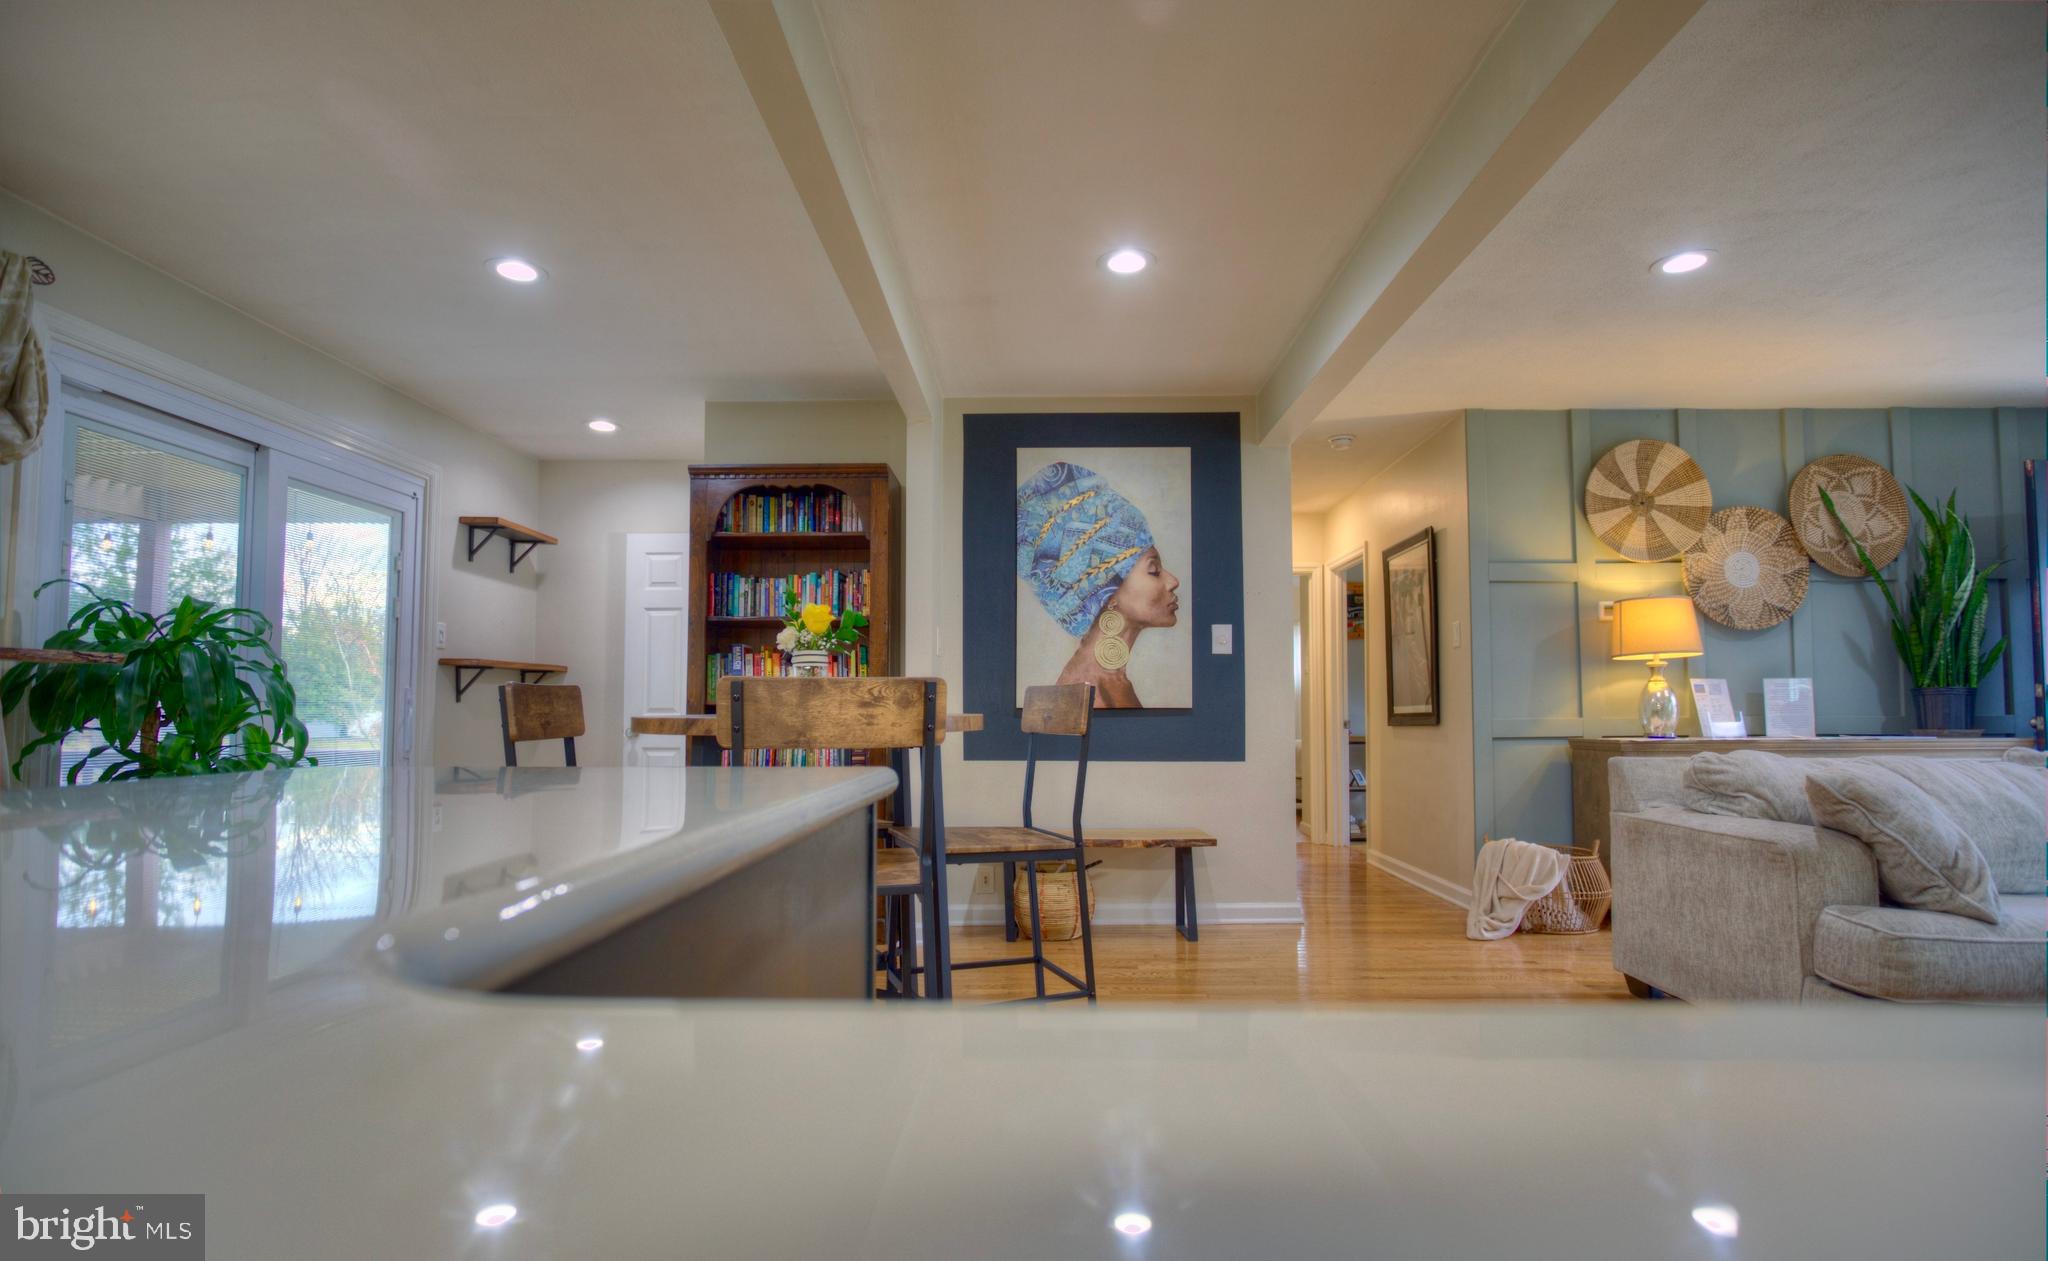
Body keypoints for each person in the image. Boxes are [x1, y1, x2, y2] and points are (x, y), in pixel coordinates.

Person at [1016, 462, 1180, 708]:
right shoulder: (1099, 691)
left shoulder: (1109, 683)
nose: (1173, 581)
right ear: (1106, 593)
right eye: (1154, 571)